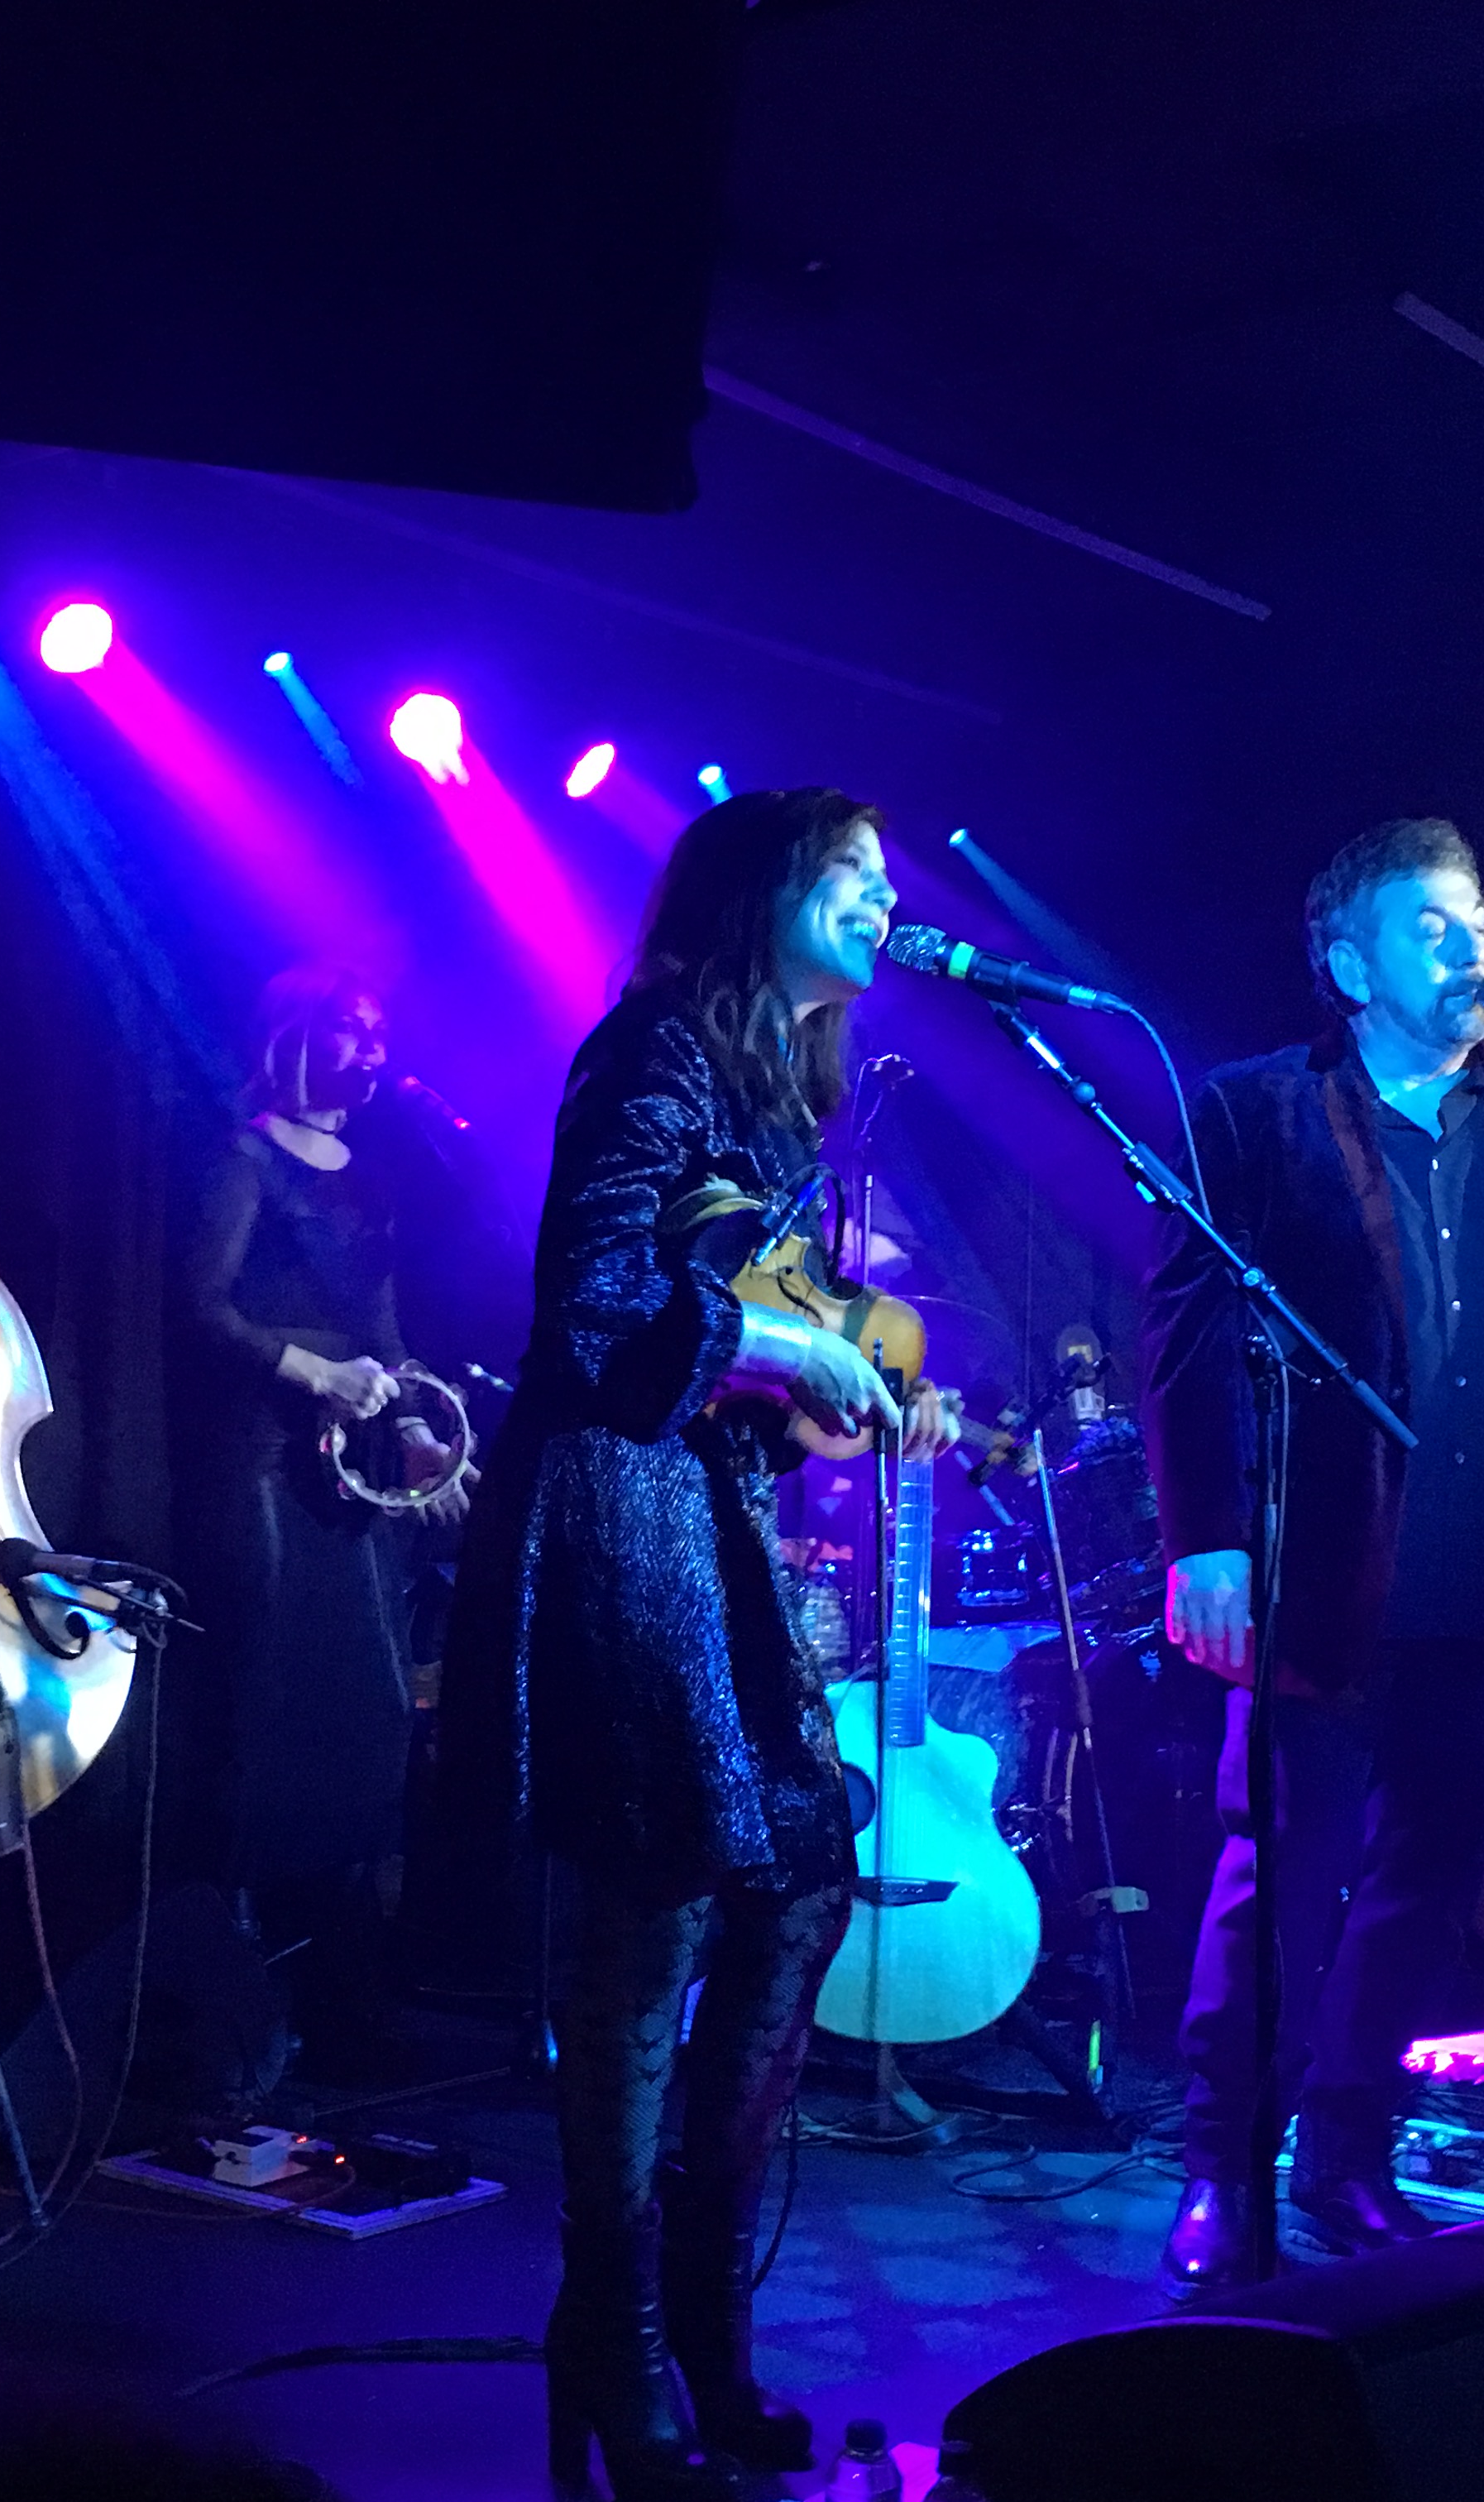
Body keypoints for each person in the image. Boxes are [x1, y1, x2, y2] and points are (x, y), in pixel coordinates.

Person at [443, 789, 956, 2502]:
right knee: (652, 1908)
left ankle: (697, 2318)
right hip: (611, 1525)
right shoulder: (652, 1050)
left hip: (700, 1516)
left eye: (886, 877)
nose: (884, 899)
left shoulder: (774, 1086)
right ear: (761, 893)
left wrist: (822, 1389)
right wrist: (785, 1354)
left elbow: (727, 1337)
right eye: (850, 875)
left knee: (801, 1868)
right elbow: (589, 1303)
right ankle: (621, 2339)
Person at [1142, 816, 1484, 2295]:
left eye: (1476, 915)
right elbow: (1184, 1334)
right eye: (1431, 924)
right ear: (1350, 963)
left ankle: (1348, 2154)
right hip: (1322, 1573)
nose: (1471, 945)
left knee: (1428, 1883)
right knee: (1282, 1880)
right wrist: (1208, 1538)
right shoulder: (1255, 1108)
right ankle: (1223, 2162)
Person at [176, 966, 471, 2073]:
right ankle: (234, 2011)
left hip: (351, 1476)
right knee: (260, 1710)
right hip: (257, 1463)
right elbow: (198, 1309)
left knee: (369, 1712)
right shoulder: (239, 1160)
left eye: (378, 1030)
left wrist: (420, 1431)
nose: (372, 1048)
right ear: (294, 1035)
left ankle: (347, 1995)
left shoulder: (371, 1180)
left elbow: (384, 1336)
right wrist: (311, 1372)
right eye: (350, 1028)